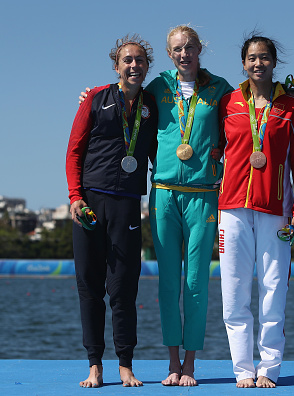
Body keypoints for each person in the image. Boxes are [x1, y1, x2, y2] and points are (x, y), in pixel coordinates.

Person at [217, 35, 294, 388]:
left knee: (274, 289)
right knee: (234, 291)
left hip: (276, 209)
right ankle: (243, 369)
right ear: (243, 63)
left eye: (265, 58)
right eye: (252, 58)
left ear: (274, 62)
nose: (258, 63)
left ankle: (268, 367)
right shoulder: (227, 103)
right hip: (232, 208)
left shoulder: (291, 108)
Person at [65, 34, 158, 388]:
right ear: (116, 66)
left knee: (123, 287)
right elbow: (74, 151)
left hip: (128, 204)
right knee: (89, 285)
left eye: (140, 60)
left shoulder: (154, 104)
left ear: (148, 66)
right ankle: (94, 364)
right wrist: (75, 197)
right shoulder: (94, 98)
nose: (133, 65)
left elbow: (158, 152)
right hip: (89, 202)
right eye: (127, 60)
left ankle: (125, 363)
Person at [144, 26, 233, 386]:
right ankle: (171, 362)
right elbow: (126, 104)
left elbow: (247, 114)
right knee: (167, 282)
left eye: (191, 48)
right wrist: (92, 96)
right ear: (169, 53)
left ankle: (191, 363)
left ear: (200, 50)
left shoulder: (221, 89)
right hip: (164, 192)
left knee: (196, 281)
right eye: (178, 49)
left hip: (203, 194)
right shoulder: (156, 87)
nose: (185, 54)